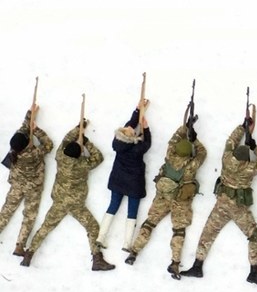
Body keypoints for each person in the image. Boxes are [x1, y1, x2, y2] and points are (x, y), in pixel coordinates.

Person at [180, 120, 257, 285]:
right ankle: (254, 271)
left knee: (208, 233)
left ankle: (197, 266)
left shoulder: (226, 159)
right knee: (254, 235)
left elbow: (230, 141)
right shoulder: (250, 168)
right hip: (238, 208)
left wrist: (242, 127)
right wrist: (254, 146)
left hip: (222, 204)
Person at [21, 123, 115, 270]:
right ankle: (97, 259)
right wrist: (86, 142)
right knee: (92, 227)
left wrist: (77, 128)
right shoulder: (83, 164)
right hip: (76, 205)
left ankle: (29, 254)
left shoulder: (60, 157)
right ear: (79, 156)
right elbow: (98, 157)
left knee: (45, 228)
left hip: (59, 202)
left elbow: (65, 139)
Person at [125, 123, 206, 278]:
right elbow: (202, 153)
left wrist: (184, 128)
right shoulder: (191, 165)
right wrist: (194, 140)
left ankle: (134, 252)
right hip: (180, 201)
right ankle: (175, 263)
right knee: (178, 230)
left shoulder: (169, 155)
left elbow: (173, 139)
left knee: (149, 223)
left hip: (162, 196)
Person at [97, 99, 152, 251]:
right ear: (131, 136)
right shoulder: (137, 147)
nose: (129, 126)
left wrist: (137, 110)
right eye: (129, 129)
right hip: (134, 182)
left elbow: (131, 123)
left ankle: (101, 237)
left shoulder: (118, 142)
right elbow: (147, 143)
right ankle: (127, 243)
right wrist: (146, 128)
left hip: (118, 180)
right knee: (132, 211)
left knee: (113, 206)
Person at [1, 104, 52, 257]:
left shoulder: (14, 149)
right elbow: (48, 145)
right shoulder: (33, 154)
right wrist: (36, 130)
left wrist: (30, 115)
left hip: (17, 185)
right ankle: (20, 245)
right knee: (29, 216)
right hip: (33, 189)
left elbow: (23, 129)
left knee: (6, 212)